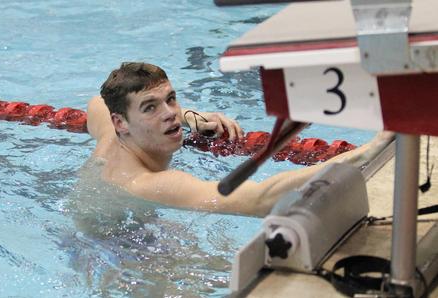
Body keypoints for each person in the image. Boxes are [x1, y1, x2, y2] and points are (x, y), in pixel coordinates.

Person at [85, 62, 393, 217]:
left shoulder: (110, 131)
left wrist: (190, 115)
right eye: (150, 108)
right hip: (121, 249)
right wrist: (370, 151)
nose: (169, 114)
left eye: (172, 99)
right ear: (121, 123)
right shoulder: (146, 182)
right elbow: (259, 200)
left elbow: (95, 102)